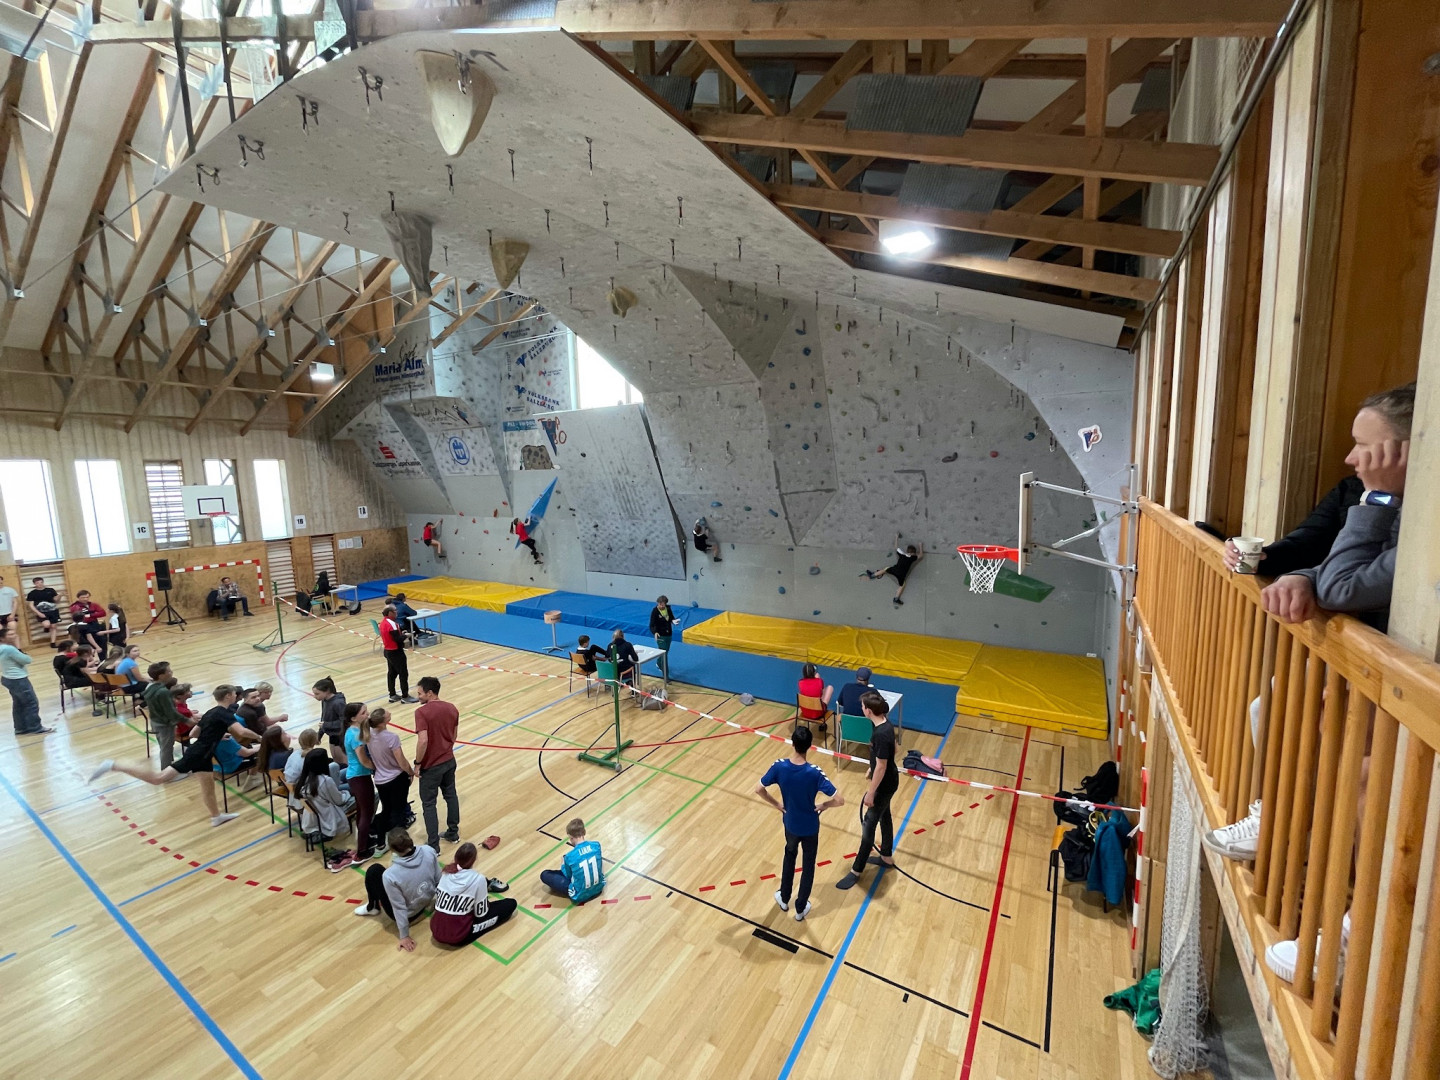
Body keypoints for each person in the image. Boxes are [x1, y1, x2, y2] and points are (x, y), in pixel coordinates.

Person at [88, 685, 260, 828]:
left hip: (203, 754)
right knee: (158, 778)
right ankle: (114, 765)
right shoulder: (225, 713)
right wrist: (259, 737)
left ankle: (216, 817)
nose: (236, 696)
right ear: (228, 696)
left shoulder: (211, 712)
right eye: (234, 694)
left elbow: (194, 733)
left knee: (208, 788)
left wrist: (216, 736)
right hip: (199, 754)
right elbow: (242, 732)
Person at [757, 726, 844, 920]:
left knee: (789, 856)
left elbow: (759, 789)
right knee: (808, 864)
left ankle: (784, 897)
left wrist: (777, 804)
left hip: (790, 824)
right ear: (810, 746)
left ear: (792, 743)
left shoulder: (779, 767)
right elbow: (840, 800)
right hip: (810, 827)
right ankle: (800, 908)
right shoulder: (814, 773)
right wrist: (824, 805)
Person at [836, 692, 899, 890]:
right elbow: (893, 751)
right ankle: (886, 856)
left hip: (883, 785)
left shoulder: (880, 733)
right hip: (889, 780)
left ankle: (856, 870)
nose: (862, 709)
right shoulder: (885, 724)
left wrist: (871, 792)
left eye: (863, 706)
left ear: (868, 711)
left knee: (868, 825)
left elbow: (882, 765)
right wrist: (873, 766)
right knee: (885, 816)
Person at [355, 828, 441, 952]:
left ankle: (372, 907)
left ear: (391, 849)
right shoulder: (428, 850)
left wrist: (404, 936)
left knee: (374, 871)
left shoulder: (390, 875)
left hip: (411, 914)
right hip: (429, 899)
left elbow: (399, 907)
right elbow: (439, 880)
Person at [431, 842, 514, 946]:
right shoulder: (478, 879)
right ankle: (488, 886)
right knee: (510, 904)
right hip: (458, 936)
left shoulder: (446, 873)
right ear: (474, 860)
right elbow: (481, 914)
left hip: (436, 929)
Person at [415, 676, 461, 850]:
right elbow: (454, 735)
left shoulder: (421, 712)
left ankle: (433, 846)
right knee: (451, 796)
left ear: (430, 693)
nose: (418, 697)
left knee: (429, 804)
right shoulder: (452, 708)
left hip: (431, 766)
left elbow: (423, 741)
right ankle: (453, 833)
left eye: (420, 693)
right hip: (449, 760)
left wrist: (418, 763)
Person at [294, 747, 356, 866]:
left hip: (314, 819)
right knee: (364, 796)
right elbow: (339, 800)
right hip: (330, 817)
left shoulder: (303, 780)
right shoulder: (325, 781)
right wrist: (348, 793)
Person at [368, 707, 415, 841]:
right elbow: (401, 761)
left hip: (380, 780)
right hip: (396, 779)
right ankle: (399, 841)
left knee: (386, 809)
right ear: (383, 722)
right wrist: (410, 772)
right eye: (386, 713)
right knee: (398, 811)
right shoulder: (391, 737)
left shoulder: (368, 734)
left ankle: (380, 840)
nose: (389, 712)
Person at [540, 818, 606, 903]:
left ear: (571, 837)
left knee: (545, 874)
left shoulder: (569, 856)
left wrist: (563, 864)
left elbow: (568, 875)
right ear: (584, 832)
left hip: (580, 895)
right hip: (598, 889)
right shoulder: (596, 845)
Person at [1, 626, 52, 735]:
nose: (14, 636)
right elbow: (26, 660)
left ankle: (20, 728)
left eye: (13, 633)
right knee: (31, 703)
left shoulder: (2, 648)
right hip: (18, 679)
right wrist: (21, 651)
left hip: (7, 678)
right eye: (10, 635)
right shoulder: (9, 649)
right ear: (2, 638)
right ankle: (35, 727)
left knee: (18, 704)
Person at [344, 701, 378, 861]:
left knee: (362, 810)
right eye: (363, 713)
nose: (367, 714)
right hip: (360, 777)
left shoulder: (352, 731)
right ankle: (362, 851)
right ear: (353, 718)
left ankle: (364, 840)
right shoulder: (355, 736)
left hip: (355, 776)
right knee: (367, 812)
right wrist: (377, 768)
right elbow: (364, 760)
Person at [863, 534, 924, 606]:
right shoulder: (913, 558)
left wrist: (896, 537)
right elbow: (921, 555)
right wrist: (920, 546)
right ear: (913, 553)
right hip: (901, 575)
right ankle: (896, 599)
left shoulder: (902, 554)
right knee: (902, 585)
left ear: (907, 551)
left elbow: (896, 547)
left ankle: (872, 575)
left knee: (885, 569)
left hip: (895, 569)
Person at [142, 665, 182, 767]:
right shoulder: (162, 692)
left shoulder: (150, 686)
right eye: (168, 671)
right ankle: (166, 770)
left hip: (155, 721)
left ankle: (169, 765)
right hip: (164, 724)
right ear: (161, 676)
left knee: (164, 747)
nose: (171, 672)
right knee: (166, 749)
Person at [379, 605, 417, 704]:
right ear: (390, 613)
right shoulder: (392, 624)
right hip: (396, 652)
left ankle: (392, 695)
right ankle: (405, 696)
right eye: (395, 611)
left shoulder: (383, 623)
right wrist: (406, 635)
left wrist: (401, 634)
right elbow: (397, 639)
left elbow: (392, 636)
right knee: (403, 673)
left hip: (388, 651)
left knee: (392, 673)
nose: (397, 613)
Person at [313, 677, 348, 767]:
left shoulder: (338, 703)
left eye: (317, 694)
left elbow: (345, 722)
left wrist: (326, 725)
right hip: (332, 735)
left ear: (327, 691)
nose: (314, 696)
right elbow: (324, 719)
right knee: (336, 761)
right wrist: (319, 734)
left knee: (344, 763)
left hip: (340, 736)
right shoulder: (324, 701)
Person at [25, 577, 62, 648]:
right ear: (34, 584)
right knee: (46, 624)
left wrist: (60, 595)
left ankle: (53, 643)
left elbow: (56, 600)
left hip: (53, 611)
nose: (40, 584)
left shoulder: (50, 590)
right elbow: (31, 605)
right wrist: (38, 613)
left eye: (41, 582)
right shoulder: (32, 593)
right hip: (41, 611)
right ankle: (46, 628)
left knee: (54, 626)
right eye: (37, 583)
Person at [649, 595, 678, 677]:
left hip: (668, 634)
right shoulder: (655, 611)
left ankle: (658, 663)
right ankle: (666, 675)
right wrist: (655, 632)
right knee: (664, 654)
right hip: (660, 635)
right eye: (660, 604)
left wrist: (673, 621)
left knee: (666, 651)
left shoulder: (668, 609)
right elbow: (652, 624)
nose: (661, 606)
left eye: (663, 605)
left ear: (665, 604)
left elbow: (671, 617)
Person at [609, 629, 640, 695]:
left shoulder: (609, 646)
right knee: (632, 665)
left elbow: (608, 658)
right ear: (623, 636)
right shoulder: (627, 645)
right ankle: (633, 689)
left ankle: (621, 683)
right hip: (623, 672)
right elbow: (635, 659)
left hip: (613, 672)